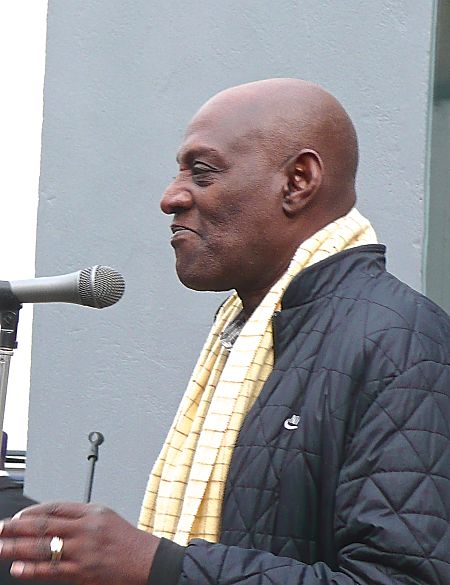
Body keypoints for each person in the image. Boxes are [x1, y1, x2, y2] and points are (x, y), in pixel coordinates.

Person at [0, 78, 448, 585]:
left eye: (202, 171)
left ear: (298, 181)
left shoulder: (399, 341)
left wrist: (161, 567)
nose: (171, 197)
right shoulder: (248, 332)